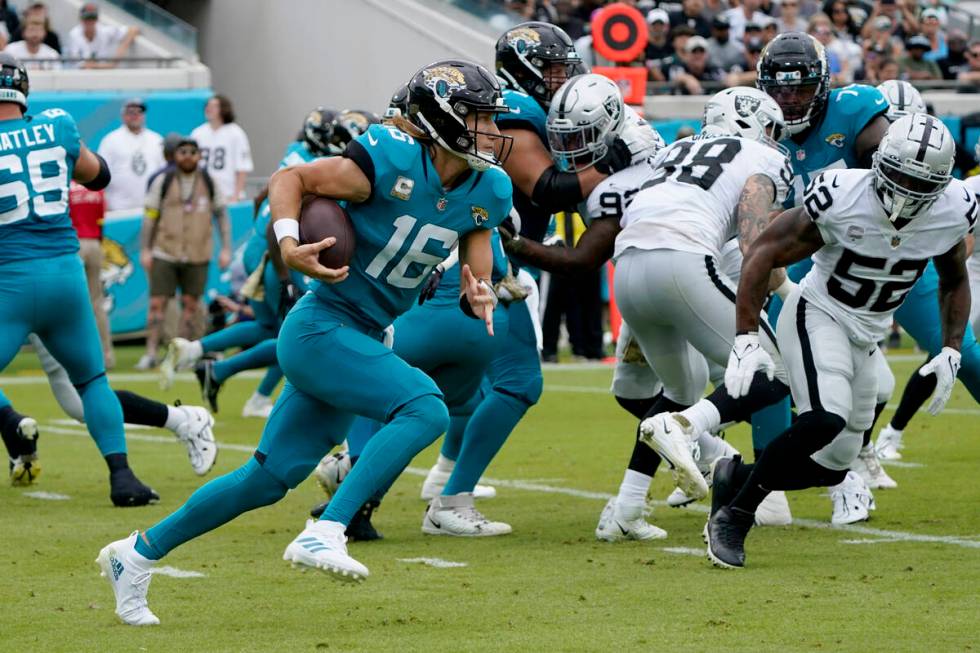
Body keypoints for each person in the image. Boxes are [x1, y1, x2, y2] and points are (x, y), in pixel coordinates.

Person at [97, 59, 512, 625]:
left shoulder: (489, 185)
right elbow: (289, 180)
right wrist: (289, 242)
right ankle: (327, 529)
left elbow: (477, 231)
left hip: (363, 331)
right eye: (479, 116)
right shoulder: (386, 160)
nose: (491, 129)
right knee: (425, 408)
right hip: (322, 325)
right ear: (442, 116)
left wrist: (479, 285)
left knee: (267, 479)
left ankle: (136, 554)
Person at [705, 114, 975, 569]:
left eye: (921, 185)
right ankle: (734, 518)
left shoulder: (954, 208)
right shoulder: (841, 195)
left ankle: (735, 478)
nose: (908, 194)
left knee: (833, 464)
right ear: (879, 164)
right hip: (820, 313)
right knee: (823, 419)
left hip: (868, 334)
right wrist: (746, 336)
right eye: (901, 178)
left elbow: (954, 278)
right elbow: (766, 251)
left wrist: (951, 346)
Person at [644, 32, 891, 526]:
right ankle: (770, 481)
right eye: (780, 91)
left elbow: (889, 169)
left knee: (872, 384)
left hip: (854, 261)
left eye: (800, 90)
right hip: (789, 259)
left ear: (823, 87)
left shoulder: (857, 115)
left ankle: (831, 470)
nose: (790, 100)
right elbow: (759, 244)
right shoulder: (760, 152)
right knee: (778, 370)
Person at [0, 52, 156, 506]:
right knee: (91, 381)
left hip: (9, 280)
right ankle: (122, 477)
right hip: (64, 276)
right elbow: (99, 174)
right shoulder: (57, 125)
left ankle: (11, 426)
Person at [161, 108, 373, 418]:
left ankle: (201, 356)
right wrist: (285, 276)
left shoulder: (295, 153)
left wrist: (259, 233)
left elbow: (263, 196)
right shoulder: (317, 166)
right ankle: (257, 396)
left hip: (261, 246)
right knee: (296, 330)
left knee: (268, 327)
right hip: (277, 253)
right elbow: (277, 218)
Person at [1, 336, 216, 485]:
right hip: (26, 288)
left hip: (31, 289)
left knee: (87, 395)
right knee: (80, 404)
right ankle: (12, 424)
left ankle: (183, 419)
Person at [136, 136, 231, 370]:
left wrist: (226, 248)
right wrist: (145, 249)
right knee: (157, 303)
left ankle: (181, 354)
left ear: (199, 156)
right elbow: (149, 217)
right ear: (174, 156)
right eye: (182, 152)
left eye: (192, 152)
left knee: (190, 304)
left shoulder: (209, 181)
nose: (187, 156)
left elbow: (222, 215)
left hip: (198, 252)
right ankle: (150, 353)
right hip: (165, 251)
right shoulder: (164, 181)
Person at [69, 180, 114, 369]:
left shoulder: (66, 187)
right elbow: (102, 218)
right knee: (96, 301)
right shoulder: (98, 189)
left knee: (72, 303)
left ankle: (74, 357)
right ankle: (107, 355)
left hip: (74, 244)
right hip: (95, 244)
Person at [97, 98, 165, 211]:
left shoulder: (156, 140)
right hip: (118, 207)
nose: (135, 115)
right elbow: (101, 175)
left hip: (150, 207)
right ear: (123, 115)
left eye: (139, 112)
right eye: (130, 112)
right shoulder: (110, 141)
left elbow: (163, 172)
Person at [191, 95, 253, 201]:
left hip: (227, 193)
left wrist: (236, 195)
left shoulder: (236, 133)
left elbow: (242, 167)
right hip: (203, 195)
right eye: (207, 105)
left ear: (223, 109)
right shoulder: (197, 133)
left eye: (214, 106)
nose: (208, 109)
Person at [64, 2, 138, 68]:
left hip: (102, 76)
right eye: (87, 18)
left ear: (97, 19)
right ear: (81, 19)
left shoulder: (103, 31)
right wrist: (109, 66)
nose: (90, 21)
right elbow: (82, 66)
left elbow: (133, 30)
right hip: (78, 78)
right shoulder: (74, 35)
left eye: (93, 17)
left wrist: (118, 55)